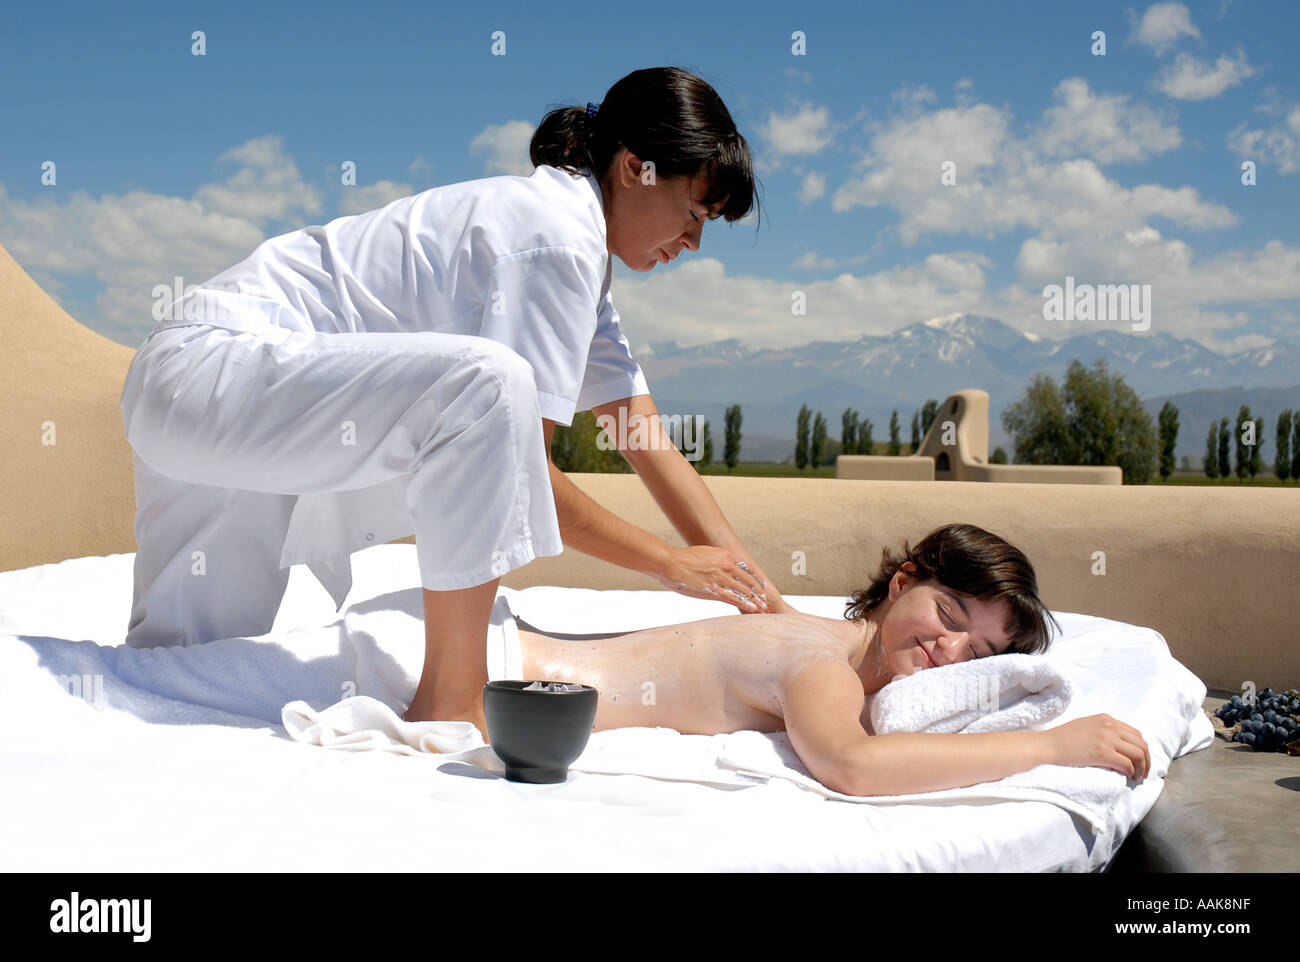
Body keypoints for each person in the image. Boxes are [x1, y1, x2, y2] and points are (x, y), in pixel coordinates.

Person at [118, 66, 792, 742]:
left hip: (219, 399)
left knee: (178, 680)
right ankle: (451, 700)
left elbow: (644, 438)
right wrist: (669, 564)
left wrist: (759, 598)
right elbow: (523, 471)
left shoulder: (576, 257)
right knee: (488, 386)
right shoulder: (556, 237)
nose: (696, 241)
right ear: (632, 168)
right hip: (218, 372)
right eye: (695, 212)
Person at [514, 523, 1152, 796]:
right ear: (902, 583)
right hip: (505, 680)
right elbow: (852, 766)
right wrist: (1053, 747)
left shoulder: (818, 644)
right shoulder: (818, 660)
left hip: (517, 678)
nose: (950, 650)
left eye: (979, 654)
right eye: (949, 616)